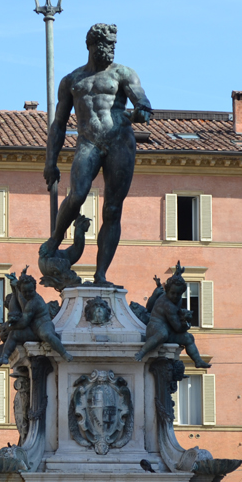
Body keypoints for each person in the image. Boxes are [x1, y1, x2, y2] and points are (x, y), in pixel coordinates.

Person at [43, 23, 152, 286]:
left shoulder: (123, 74)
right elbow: (58, 124)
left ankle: (101, 274)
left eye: (114, 45)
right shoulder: (72, 81)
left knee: (112, 209)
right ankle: (55, 240)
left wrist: (143, 110)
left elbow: (142, 101)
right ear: (90, 45)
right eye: (105, 45)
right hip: (88, 142)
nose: (110, 50)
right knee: (77, 194)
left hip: (119, 142)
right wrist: (50, 162)